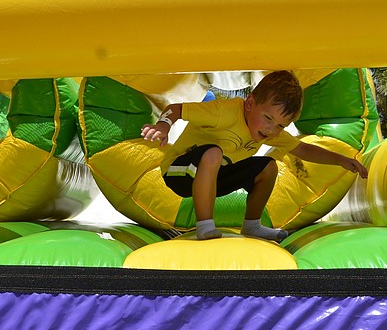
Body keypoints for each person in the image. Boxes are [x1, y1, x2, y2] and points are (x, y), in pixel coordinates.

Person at [141, 70, 368, 241]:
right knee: (213, 153)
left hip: (214, 177)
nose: (271, 129)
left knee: (268, 166)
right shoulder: (224, 112)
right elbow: (177, 109)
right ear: (250, 103)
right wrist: (163, 126)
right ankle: (205, 226)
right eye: (268, 118)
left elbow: (302, 149)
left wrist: (340, 159)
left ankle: (252, 225)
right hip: (179, 173)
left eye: (281, 125)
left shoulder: (267, 132)